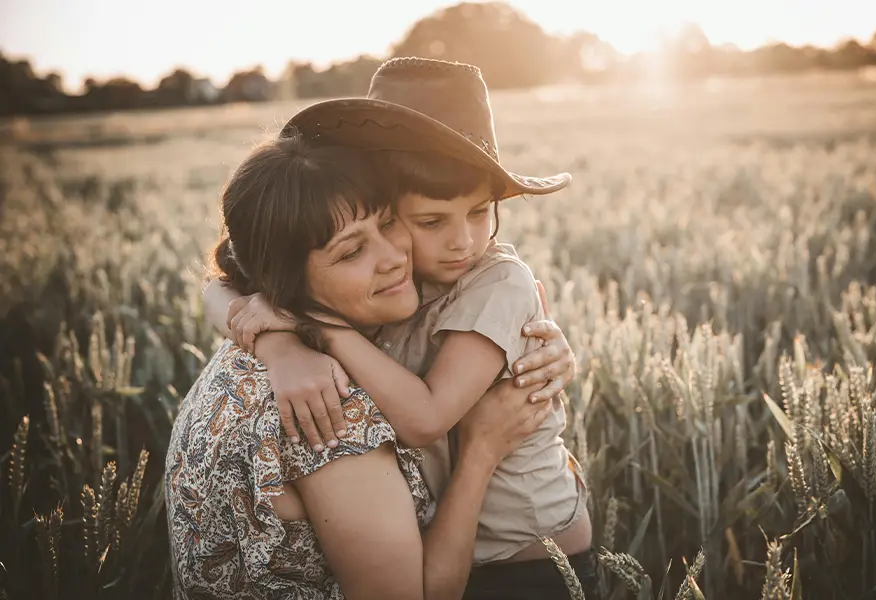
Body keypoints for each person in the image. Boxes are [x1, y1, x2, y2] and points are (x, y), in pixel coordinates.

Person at [206, 57, 600, 599]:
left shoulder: (496, 283)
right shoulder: (394, 275)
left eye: (481, 213)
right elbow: (227, 281)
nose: (463, 241)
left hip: (529, 556)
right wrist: (279, 344)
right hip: (454, 545)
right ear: (383, 207)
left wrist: (317, 329)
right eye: (429, 222)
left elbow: (427, 419)